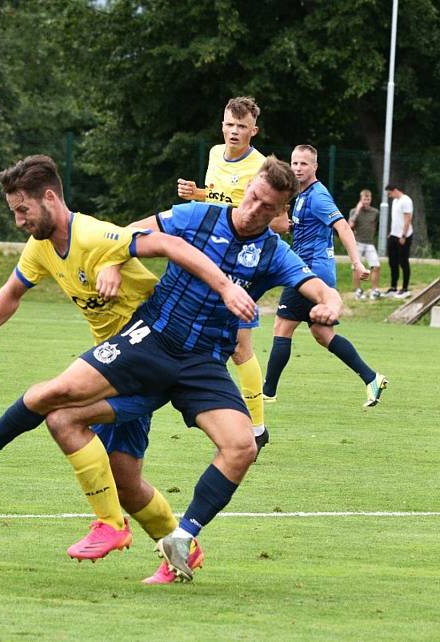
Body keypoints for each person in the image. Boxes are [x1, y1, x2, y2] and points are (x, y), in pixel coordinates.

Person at [0, 156, 342, 582]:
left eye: (268, 207)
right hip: (150, 340)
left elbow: (318, 287)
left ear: (281, 211)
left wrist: (330, 304)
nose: (254, 210)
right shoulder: (197, 215)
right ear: (247, 187)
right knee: (59, 402)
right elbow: (137, 234)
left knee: (242, 446)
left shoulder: (273, 254)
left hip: (203, 363)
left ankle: (182, 536)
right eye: (253, 197)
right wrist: (113, 261)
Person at [175, 96, 287, 456]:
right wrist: (197, 194)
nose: (233, 131)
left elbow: (270, 217)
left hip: (240, 260)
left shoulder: (261, 166)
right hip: (207, 254)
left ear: (254, 130)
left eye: (241, 126)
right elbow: (219, 199)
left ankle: (256, 427)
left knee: (241, 346)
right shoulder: (213, 154)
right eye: (228, 124)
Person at [261, 145, 388, 409]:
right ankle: (371, 377)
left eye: (304, 164)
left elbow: (341, 225)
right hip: (314, 271)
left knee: (282, 327)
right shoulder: (302, 195)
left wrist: (356, 262)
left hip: (308, 272)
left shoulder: (318, 196)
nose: (297, 168)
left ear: (315, 167)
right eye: (294, 163)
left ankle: (267, 392)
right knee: (321, 332)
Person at [348, 189, 381, 300]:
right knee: (356, 267)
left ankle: (374, 290)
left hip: (370, 243)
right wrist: (357, 210)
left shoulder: (375, 212)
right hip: (358, 243)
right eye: (364, 199)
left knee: (376, 266)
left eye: (368, 199)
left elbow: (374, 225)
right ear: (361, 200)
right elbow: (350, 225)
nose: (366, 201)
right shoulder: (354, 211)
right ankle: (358, 290)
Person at [385, 183, 413, 298]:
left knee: (403, 262)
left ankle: (405, 288)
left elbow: (407, 219)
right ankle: (393, 286)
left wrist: (403, 235)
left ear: (395, 190)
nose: (389, 196)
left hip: (403, 236)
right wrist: (391, 233)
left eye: (390, 193)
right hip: (394, 235)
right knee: (392, 262)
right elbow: (396, 219)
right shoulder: (395, 201)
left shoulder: (406, 200)